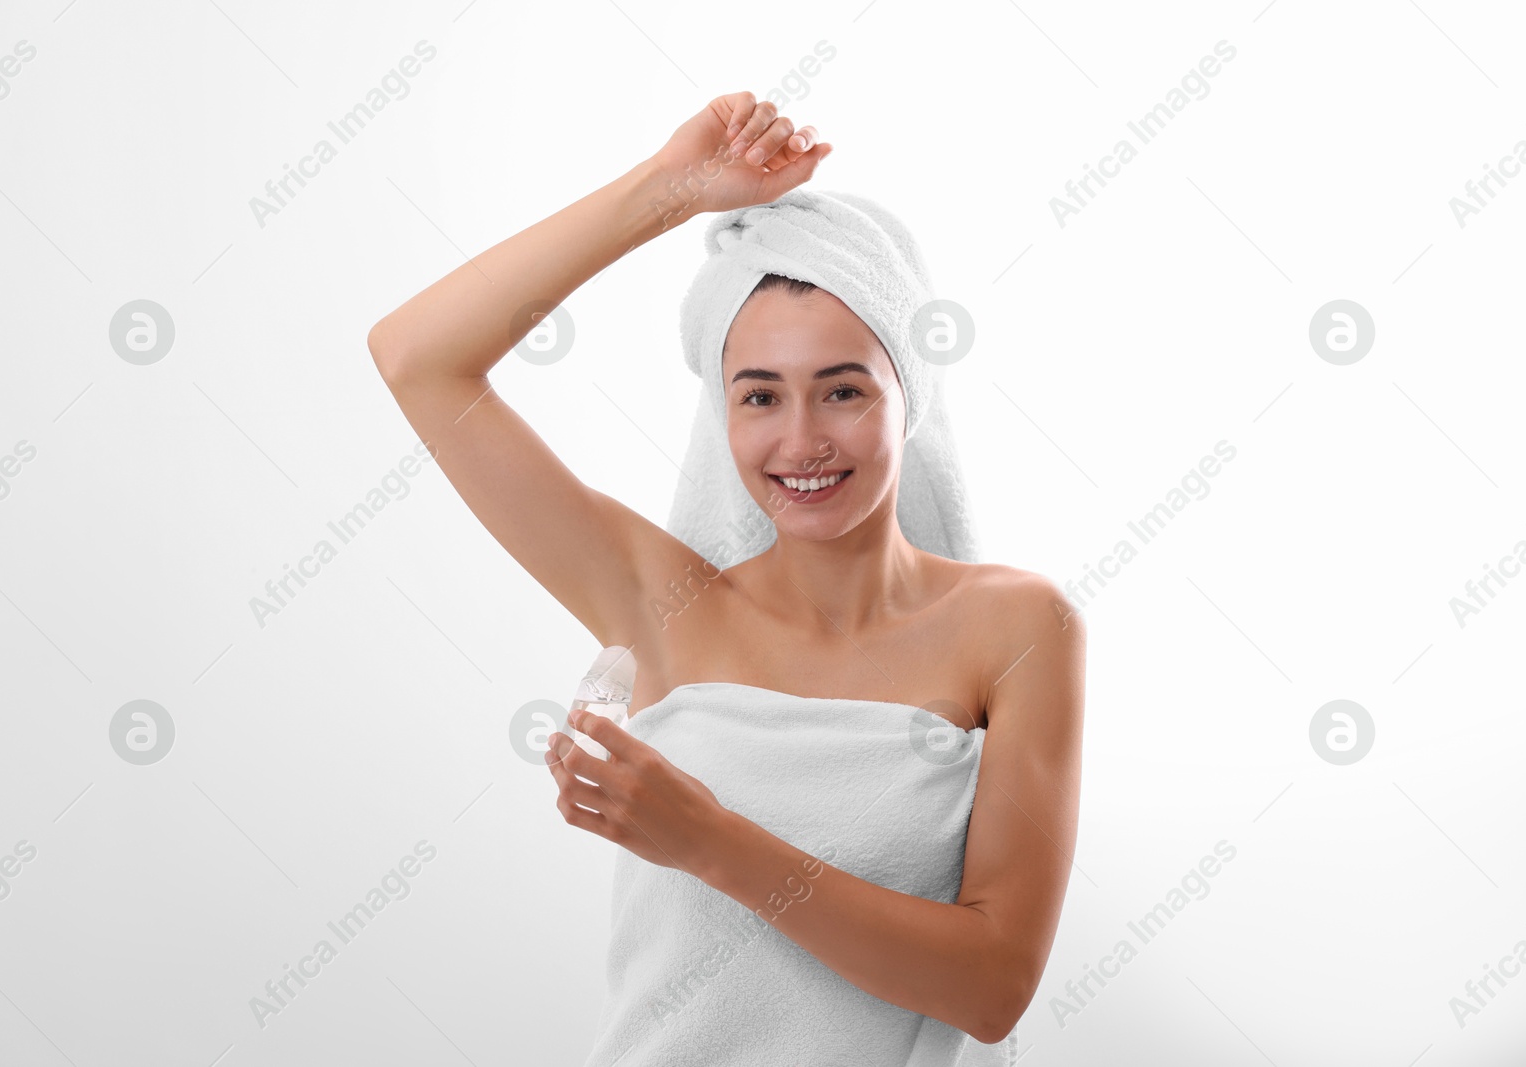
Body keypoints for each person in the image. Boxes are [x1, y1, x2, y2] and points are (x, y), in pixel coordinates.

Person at [367, 90, 1085, 1059]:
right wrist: (669, 192)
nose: (800, 440)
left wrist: (704, 836)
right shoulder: (661, 603)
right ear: (721, 410)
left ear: (905, 399)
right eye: (759, 395)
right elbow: (417, 358)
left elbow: (993, 983)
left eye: (842, 389)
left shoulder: (1016, 628)